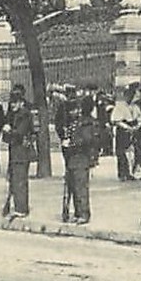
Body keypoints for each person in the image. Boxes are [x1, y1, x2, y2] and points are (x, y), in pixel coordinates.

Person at [58, 90, 95, 224]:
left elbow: (86, 140)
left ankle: (84, 213)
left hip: (81, 158)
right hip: (72, 159)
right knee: (72, 186)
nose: (71, 113)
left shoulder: (85, 123)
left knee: (80, 187)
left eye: (73, 111)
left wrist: (71, 144)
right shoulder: (73, 124)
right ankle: (78, 212)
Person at [2, 85, 35, 218]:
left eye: (15, 103)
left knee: (20, 180)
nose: (12, 105)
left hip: (22, 151)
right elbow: (7, 137)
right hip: (14, 150)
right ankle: (18, 205)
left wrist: (9, 130)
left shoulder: (25, 115)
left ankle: (21, 208)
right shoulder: (13, 115)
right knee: (14, 179)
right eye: (11, 103)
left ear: (21, 102)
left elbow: (20, 132)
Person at [110, 85, 140, 181]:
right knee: (121, 152)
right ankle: (123, 173)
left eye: (132, 95)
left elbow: (139, 118)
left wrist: (136, 127)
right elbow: (115, 120)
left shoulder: (135, 107)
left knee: (133, 152)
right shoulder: (120, 106)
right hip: (123, 129)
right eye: (128, 95)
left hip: (133, 128)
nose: (130, 97)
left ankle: (131, 172)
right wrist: (127, 127)